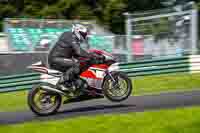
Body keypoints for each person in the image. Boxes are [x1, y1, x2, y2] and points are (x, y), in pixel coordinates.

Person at [48, 24, 102, 90]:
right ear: (77, 31)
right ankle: (62, 83)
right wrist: (93, 55)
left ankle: (73, 85)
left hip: (60, 59)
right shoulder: (69, 35)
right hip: (56, 59)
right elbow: (79, 51)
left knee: (80, 64)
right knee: (76, 64)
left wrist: (89, 58)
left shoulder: (73, 38)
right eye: (82, 34)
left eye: (84, 35)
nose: (83, 36)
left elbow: (77, 54)